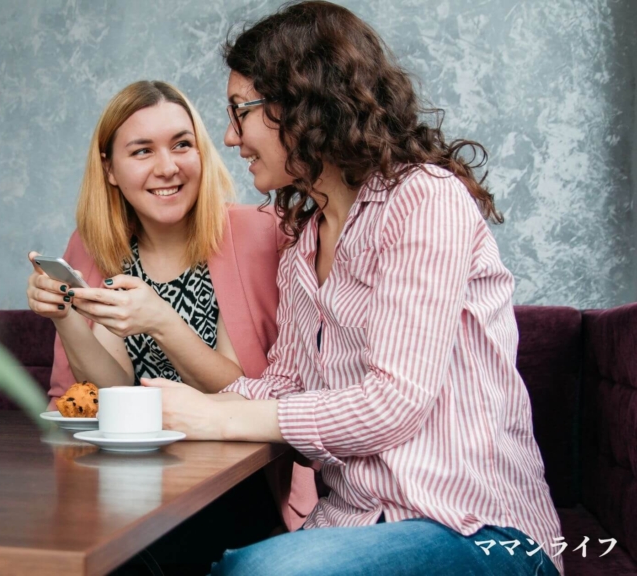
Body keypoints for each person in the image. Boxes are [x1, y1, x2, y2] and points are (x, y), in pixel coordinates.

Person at [141, 3, 564, 575]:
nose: (229, 136)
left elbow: (393, 403)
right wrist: (176, 409)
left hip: (479, 528)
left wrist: (216, 418)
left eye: (241, 112)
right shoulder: (302, 246)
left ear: (302, 103)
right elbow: (284, 388)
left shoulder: (424, 199)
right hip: (356, 522)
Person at [25, 80, 318, 532]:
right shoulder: (92, 246)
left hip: (241, 486)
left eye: (182, 145)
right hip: (126, 482)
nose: (168, 168)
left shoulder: (260, 234)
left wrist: (162, 322)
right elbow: (112, 388)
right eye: (142, 151)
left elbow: (249, 395)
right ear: (110, 170)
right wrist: (66, 318)